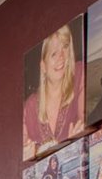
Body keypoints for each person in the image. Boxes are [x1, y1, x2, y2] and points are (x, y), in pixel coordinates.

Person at [23, 24, 84, 158]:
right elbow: (22, 156)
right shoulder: (30, 106)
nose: (61, 57)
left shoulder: (79, 74)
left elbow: (84, 120)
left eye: (65, 47)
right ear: (43, 66)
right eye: (54, 54)